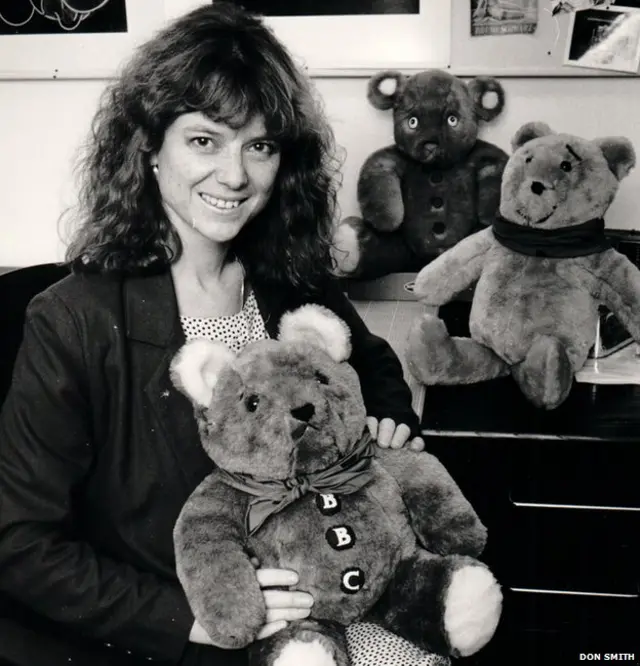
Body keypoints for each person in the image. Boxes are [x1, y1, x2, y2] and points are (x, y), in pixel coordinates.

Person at [0, 3, 432, 665]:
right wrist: (191, 619)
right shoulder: (74, 320)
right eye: (205, 140)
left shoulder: (292, 282)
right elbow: (21, 542)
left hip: (329, 592)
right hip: (186, 626)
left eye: (259, 145)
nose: (235, 175)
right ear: (148, 146)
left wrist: (392, 418)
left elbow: (369, 365)